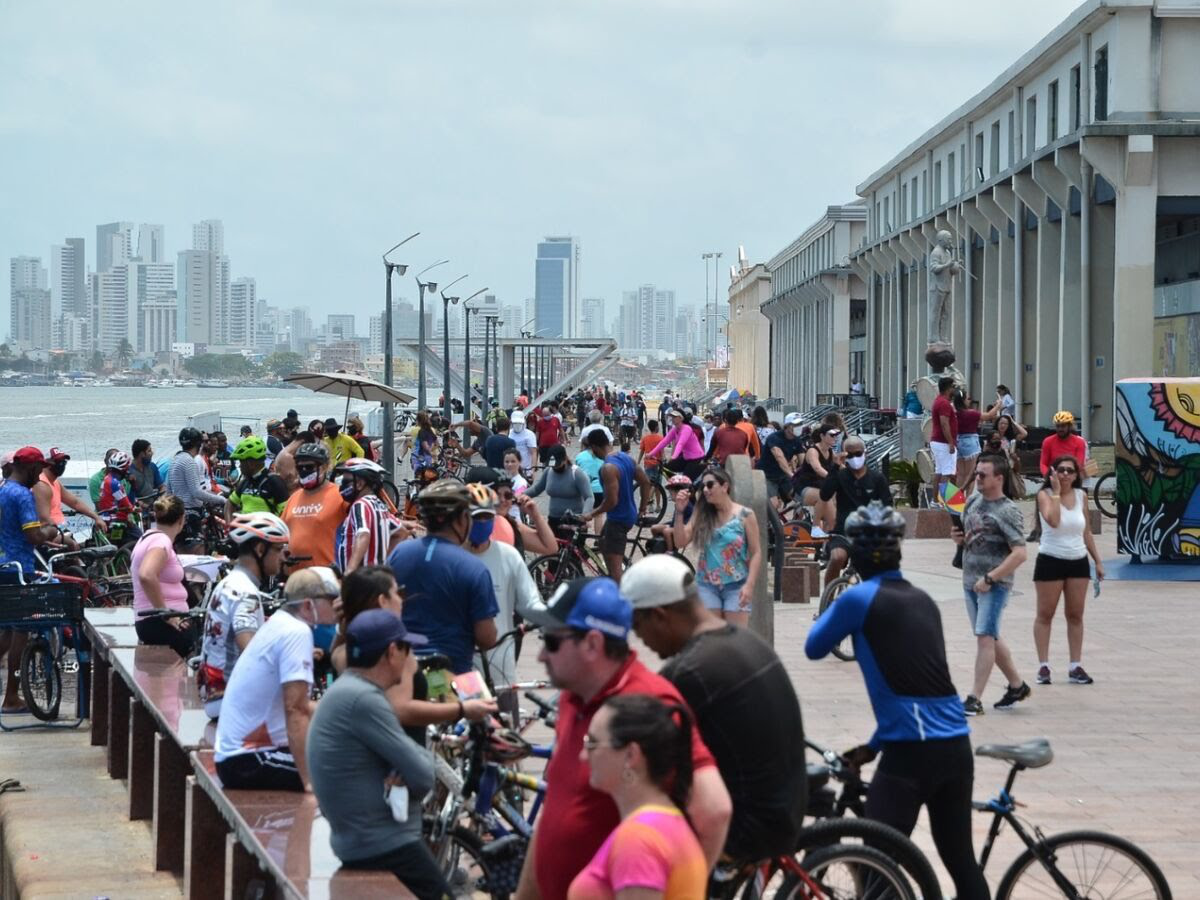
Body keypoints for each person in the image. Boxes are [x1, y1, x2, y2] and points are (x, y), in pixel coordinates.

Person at [805, 502, 990, 900]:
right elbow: (924, 693)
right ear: (899, 551)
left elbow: (814, 647)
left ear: (854, 553)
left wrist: (841, 605)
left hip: (911, 752)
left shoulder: (858, 600)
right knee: (961, 861)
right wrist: (871, 748)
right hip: (956, 746)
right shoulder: (923, 600)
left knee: (879, 864)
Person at [515, 578, 731, 899]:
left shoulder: (650, 703)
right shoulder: (572, 696)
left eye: (551, 641)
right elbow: (556, 804)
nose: (541, 656)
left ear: (592, 644)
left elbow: (713, 810)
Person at [624, 555, 806, 865]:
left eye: (638, 626)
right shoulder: (745, 640)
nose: (639, 638)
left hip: (749, 830)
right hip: (787, 809)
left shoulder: (690, 671)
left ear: (659, 615)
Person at [307, 609, 456, 898]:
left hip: (357, 837)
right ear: (391, 652)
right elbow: (424, 776)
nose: (410, 658)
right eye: (407, 649)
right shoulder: (363, 700)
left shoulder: (347, 689)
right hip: (380, 844)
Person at [331, 566, 497, 745]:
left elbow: (335, 652)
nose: (403, 600)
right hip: (399, 751)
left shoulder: (344, 651)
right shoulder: (392, 651)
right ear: (383, 601)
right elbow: (400, 709)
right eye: (398, 593)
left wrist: (344, 625)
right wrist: (462, 709)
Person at [567, 695, 708, 899]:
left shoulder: (638, 841)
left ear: (631, 755)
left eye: (592, 744)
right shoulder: (666, 820)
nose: (583, 755)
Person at [215, 566, 339, 791]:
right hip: (249, 758)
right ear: (307, 604)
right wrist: (308, 782)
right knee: (342, 770)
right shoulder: (297, 632)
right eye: (331, 599)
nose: (336, 605)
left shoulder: (281, 623)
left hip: (241, 755)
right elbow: (295, 709)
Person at [387, 479, 499, 674]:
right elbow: (486, 638)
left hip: (402, 672)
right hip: (453, 677)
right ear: (462, 518)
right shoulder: (473, 568)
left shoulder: (399, 553)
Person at [951, 454, 1030, 715]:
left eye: (983, 475)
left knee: (984, 637)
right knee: (990, 636)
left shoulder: (1008, 511)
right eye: (976, 474)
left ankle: (974, 698)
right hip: (970, 581)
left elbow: (1020, 552)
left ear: (999, 478)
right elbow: (970, 536)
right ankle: (1017, 686)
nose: (978, 479)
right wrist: (958, 539)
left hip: (994, 585)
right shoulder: (973, 501)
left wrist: (991, 578)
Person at [198, 512, 291, 718]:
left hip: (215, 695)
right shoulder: (245, 593)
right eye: (278, 549)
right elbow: (251, 650)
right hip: (230, 699)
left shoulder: (230, 582)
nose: (284, 556)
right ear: (260, 549)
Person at [1033, 456, 1103, 686]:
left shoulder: (1082, 496)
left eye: (1069, 471)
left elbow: (1087, 532)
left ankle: (1075, 665)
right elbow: (1053, 520)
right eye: (1060, 470)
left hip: (1077, 560)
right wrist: (1055, 492)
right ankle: (1043, 665)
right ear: (1053, 473)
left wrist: (1098, 561)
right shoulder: (1044, 495)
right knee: (1045, 614)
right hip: (1050, 559)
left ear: (1076, 475)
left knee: (1075, 615)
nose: (1065, 475)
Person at [464, 485, 543, 689]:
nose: (481, 523)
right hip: (461, 665)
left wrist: (557, 622)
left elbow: (530, 602)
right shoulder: (450, 557)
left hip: (501, 662)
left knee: (506, 716)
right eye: (475, 517)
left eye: (486, 517)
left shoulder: (508, 556)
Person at [0, 447, 60, 712]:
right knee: (21, 630)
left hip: (3, 565)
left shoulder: (2, 489)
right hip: (20, 569)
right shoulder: (23, 495)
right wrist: (51, 530)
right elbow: (34, 536)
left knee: (9, 630)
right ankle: (12, 696)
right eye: (38, 468)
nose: (40, 473)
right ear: (29, 468)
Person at [670, 466, 761, 628]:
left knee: (735, 638)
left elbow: (756, 552)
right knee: (712, 637)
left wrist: (750, 585)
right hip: (707, 585)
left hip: (737, 584)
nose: (705, 489)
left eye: (710, 485)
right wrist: (679, 513)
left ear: (725, 486)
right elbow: (680, 541)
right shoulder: (702, 514)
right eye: (703, 486)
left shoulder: (745, 515)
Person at [816, 434, 891, 589]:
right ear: (844, 455)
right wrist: (835, 467)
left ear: (865, 453)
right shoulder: (841, 475)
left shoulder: (877, 478)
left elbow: (887, 506)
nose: (855, 458)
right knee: (837, 558)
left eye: (858, 454)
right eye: (850, 455)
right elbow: (825, 494)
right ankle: (828, 602)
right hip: (842, 531)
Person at [581, 428, 651, 585]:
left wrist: (592, 514)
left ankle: (621, 597)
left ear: (594, 447)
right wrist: (642, 508)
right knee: (603, 542)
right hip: (629, 514)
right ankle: (609, 576)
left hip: (618, 518)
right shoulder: (626, 458)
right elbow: (646, 482)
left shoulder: (608, 468)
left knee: (615, 570)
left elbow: (611, 501)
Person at [131, 495, 197, 659]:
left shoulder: (147, 537)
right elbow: (146, 575)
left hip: (151, 621)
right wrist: (166, 614)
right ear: (182, 519)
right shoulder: (162, 542)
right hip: (160, 624)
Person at [333, 458, 407, 574]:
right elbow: (401, 532)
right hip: (376, 577)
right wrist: (383, 562)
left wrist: (350, 571)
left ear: (360, 484)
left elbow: (363, 534)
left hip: (361, 581)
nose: (342, 485)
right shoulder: (378, 505)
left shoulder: (360, 505)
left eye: (346, 481)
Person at [281, 443, 347, 570]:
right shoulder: (294, 497)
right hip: (294, 578)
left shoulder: (340, 495)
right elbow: (283, 534)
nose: (304, 471)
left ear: (324, 467)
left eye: (309, 467)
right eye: (300, 467)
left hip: (328, 577)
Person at [167, 427, 227, 547]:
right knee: (196, 549)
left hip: (179, 510)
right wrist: (222, 500)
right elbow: (196, 492)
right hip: (190, 512)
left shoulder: (176, 459)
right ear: (198, 443)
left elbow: (169, 489)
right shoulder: (189, 461)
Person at [34, 446, 106, 539]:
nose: (62, 464)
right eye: (59, 462)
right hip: (52, 533)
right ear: (48, 463)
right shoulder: (41, 484)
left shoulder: (55, 482)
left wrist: (96, 517)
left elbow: (75, 502)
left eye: (64, 462)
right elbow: (44, 519)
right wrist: (61, 537)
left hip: (62, 529)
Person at [525, 445, 593, 536]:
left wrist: (585, 515)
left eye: (557, 465)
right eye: (553, 466)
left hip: (573, 521)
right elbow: (536, 489)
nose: (555, 468)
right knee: (553, 548)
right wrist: (519, 495)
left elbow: (589, 497)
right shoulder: (548, 471)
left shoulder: (576, 473)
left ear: (565, 459)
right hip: (554, 519)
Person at [226, 436, 289, 519]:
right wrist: (229, 526)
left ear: (250, 464)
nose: (240, 466)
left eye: (241, 462)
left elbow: (285, 513)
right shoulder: (246, 482)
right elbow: (229, 504)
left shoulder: (274, 482)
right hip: (244, 530)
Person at [645, 408, 705, 481]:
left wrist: (674, 456)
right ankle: (676, 486)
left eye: (675, 417)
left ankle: (685, 489)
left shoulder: (687, 429)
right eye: (672, 417)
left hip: (696, 459)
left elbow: (680, 444)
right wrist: (651, 454)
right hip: (686, 458)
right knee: (666, 467)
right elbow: (664, 442)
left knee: (685, 481)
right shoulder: (675, 429)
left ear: (681, 418)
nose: (672, 419)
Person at [760, 413, 806, 510]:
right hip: (767, 476)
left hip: (782, 476)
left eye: (801, 424)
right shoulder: (774, 438)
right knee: (774, 504)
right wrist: (792, 475)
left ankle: (796, 523)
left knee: (801, 499)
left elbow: (803, 461)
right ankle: (768, 524)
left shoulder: (797, 440)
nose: (799, 427)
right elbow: (779, 457)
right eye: (796, 425)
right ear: (787, 426)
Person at [96, 450, 142, 542]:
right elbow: (128, 505)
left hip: (106, 518)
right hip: (116, 519)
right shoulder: (115, 484)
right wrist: (134, 509)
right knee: (141, 538)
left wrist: (132, 485)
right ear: (124, 469)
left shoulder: (107, 479)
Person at [795, 422, 839, 507]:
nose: (835, 437)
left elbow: (840, 465)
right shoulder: (813, 451)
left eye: (836, 435)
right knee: (826, 498)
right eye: (832, 435)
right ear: (822, 436)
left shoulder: (830, 451)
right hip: (805, 487)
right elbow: (817, 468)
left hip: (820, 486)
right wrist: (833, 478)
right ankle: (818, 520)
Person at [929, 376, 959, 499]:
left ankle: (935, 500)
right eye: (953, 387)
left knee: (939, 471)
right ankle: (944, 501)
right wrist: (951, 442)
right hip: (943, 442)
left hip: (939, 442)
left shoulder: (939, 401)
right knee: (947, 473)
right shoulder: (944, 403)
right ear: (948, 388)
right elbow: (944, 423)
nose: (955, 390)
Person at [955, 390, 983, 495]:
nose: (970, 401)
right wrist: (998, 405)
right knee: (970, 474)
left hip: (958, 441)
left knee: (961, 474)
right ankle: (968, 500)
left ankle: (957, 501)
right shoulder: (971, 413)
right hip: (970, 441)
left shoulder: (955, 413)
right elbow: (989, 415)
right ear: (963, 401)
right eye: (968, 398)